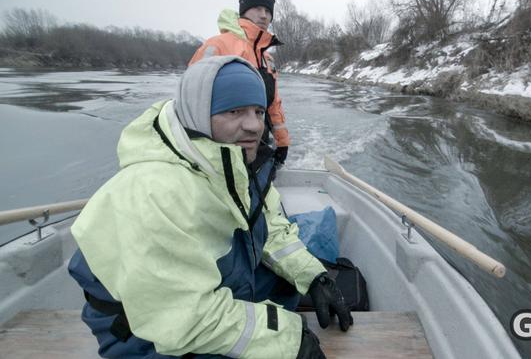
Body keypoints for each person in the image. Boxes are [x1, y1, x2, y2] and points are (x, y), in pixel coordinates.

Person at [68, 56, 352, 359]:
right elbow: (183, 318)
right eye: (234, 111)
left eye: (258, 111)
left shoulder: (237, 166)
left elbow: (270, 228)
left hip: (204, 290)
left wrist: (313, 276)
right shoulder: (154, 191)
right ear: (199, 115)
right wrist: (288, 338)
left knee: (289, 283)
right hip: (144, 333)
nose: (254, 125)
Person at [189, 0, 289, 166]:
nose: (264, 15)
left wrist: (282, 141)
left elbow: (273, 104)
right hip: (221, 148)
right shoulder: (217, 46)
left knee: (260, 188)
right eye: (257, 8)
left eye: (267, 11)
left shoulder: (268, 59)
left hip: (258, 142)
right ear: (244, 12)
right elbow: (192, 99)